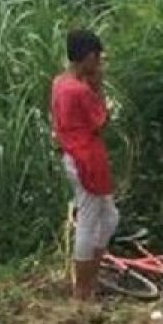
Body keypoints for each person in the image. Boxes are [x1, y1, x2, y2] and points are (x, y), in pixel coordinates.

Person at [50, 29, 119, 302]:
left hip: (77, 154)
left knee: (108, 216)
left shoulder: (60, 83)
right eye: (97, 58)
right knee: (89, 220)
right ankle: (82, 289)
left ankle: (90, 277)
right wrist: (100, 89)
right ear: (89, 57)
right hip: (85, 158)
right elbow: (100, 121)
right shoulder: (80, 91)